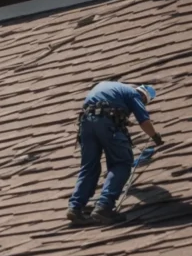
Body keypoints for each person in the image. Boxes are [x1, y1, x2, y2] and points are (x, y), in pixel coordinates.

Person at [67, 82, 164, 224]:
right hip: (106, 124)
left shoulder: (112, 87)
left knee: (89, 166)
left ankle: (75, 207)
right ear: (144, 96)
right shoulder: (134, 95)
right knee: (122, 163)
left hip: (86, 123)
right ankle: (104, 207)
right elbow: (144, 121)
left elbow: (103, 107)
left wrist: (121, 118)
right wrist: (155, 136)